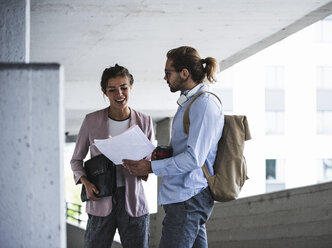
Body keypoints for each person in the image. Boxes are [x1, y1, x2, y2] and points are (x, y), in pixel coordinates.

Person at [124, 46, 224, 248]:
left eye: (168, 72)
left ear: (184, 73)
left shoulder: (203, 104)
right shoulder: (189, 103)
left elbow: (194, 158)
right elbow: (184, 149)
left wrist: (151, 168)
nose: (165, 77)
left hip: (190, 196)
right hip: (185, 196)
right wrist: (159, 153)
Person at [70, 64, 152, 248]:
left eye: (124, 88)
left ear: (131, 87)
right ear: (104, 92)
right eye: (112, 90)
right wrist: (85, 182)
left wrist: (142, 165)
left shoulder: (144, 121)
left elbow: (148, 161)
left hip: (133, 201)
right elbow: (76, 159)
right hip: (100, 196)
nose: (119, 94)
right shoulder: (91, 121)